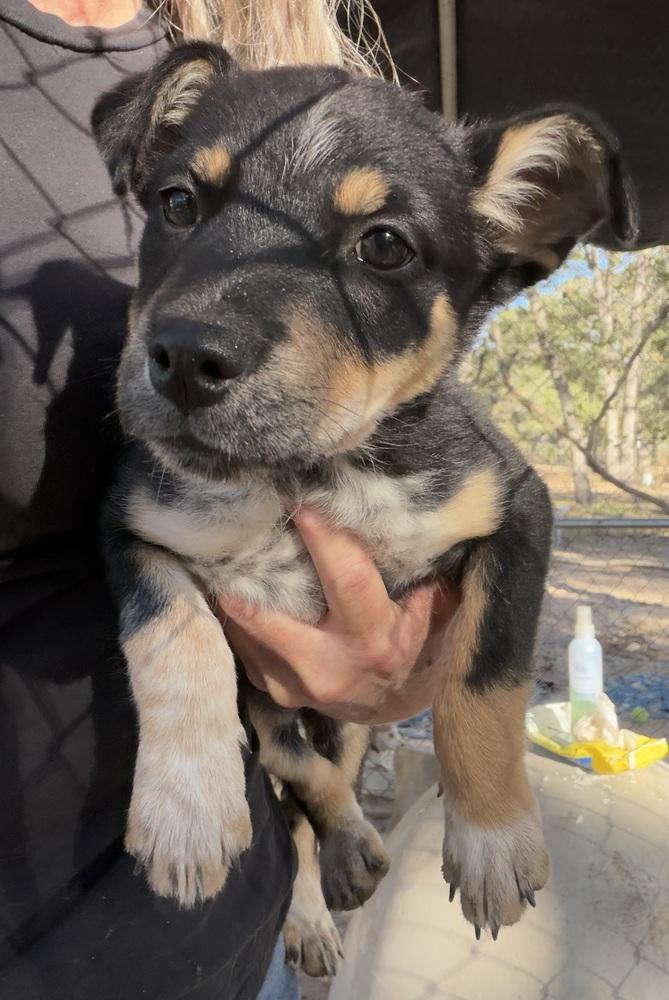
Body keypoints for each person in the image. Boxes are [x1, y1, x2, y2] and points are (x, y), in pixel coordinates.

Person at [0, 2, 457, 997]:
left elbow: (412, 594)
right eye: (178, 208)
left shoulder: (298, 64)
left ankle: (311, 839)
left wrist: (406, 669)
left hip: (240, 931)